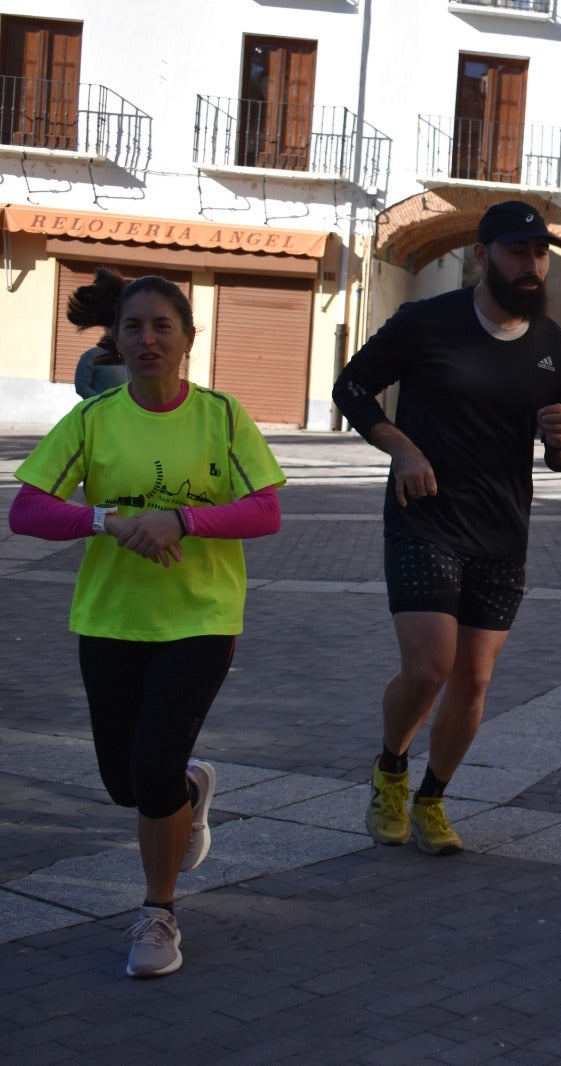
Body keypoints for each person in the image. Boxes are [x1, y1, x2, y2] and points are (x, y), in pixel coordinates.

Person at [9, 269, 285, 977]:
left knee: (151, 764)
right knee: (125, 782)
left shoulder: (223, 417)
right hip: (110, 620)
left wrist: (182, 519)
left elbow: (265, 510)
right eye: (134, 327)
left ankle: (158, 914)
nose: (148, 339)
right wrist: (107, 520)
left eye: (163, 325)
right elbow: (28, 509)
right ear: (118, 341)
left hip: (201, 619)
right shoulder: (94, 421)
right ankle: (190, 791)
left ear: (189, 338)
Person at [332, 201, 561, 856]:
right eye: (516, 251)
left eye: (539, 253)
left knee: (473, 679)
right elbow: (353, 389)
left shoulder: (554, 349)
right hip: (426, 518)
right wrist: (403, 449)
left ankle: (433, 798)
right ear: (482, 255)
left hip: (502, 532)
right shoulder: (426, 323)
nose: (530, 266)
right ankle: (392, 766)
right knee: (429, 667)